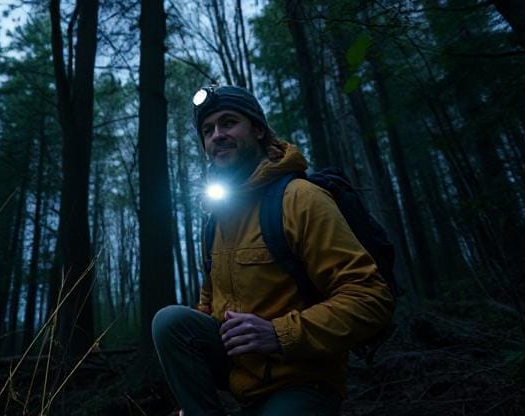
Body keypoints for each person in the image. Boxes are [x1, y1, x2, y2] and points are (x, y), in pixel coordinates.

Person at [152, 85, 395, 415]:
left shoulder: (300, 198)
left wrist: (280, 334)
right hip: (242, 373)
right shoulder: (216, 220)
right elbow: (208, 305)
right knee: (171, 322)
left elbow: (371, 299)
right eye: (208, 130)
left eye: (228, 122)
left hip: (303, 379)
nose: (217, 135)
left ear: (258, 129)